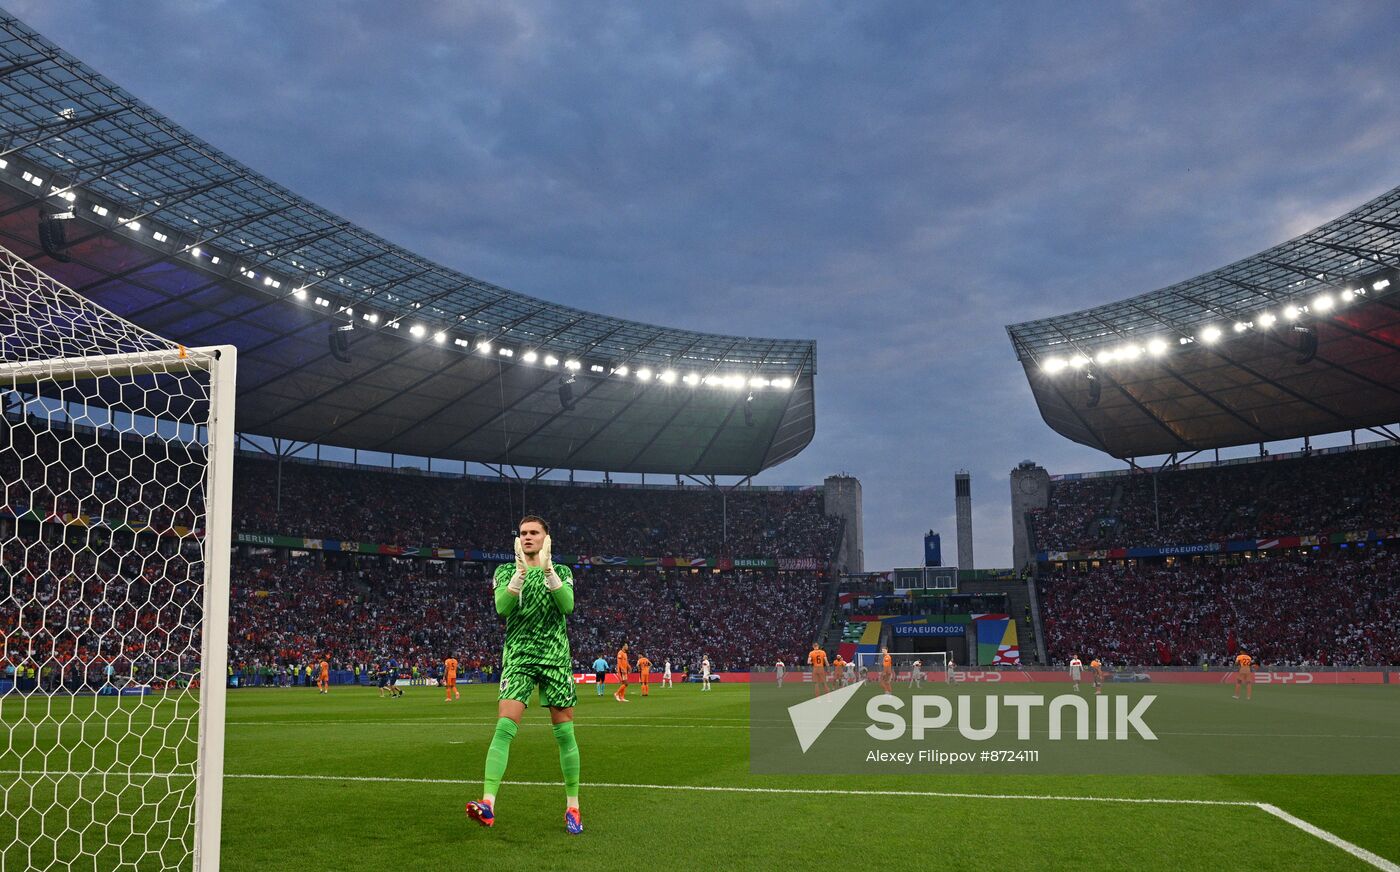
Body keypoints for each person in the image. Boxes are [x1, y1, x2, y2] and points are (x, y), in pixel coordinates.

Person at [465, 516, 583, 835]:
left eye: (534, 532)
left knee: (564, 734)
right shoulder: (504, 571)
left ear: (547, 537)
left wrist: (547, 572)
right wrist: (518, 575)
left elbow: (567, 605)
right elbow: (503, 608)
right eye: (523, 533)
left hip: (554, 656)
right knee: (504, 727)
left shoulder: (562, 572)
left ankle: (573, 806)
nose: (528, 537)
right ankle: (488, 803)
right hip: (518, 655)